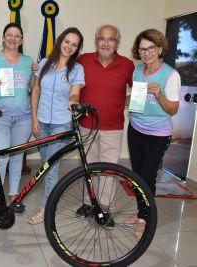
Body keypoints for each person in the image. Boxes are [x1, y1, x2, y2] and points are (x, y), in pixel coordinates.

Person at [126, 29, 181, 240]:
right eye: (142, 48)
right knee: (137, 175)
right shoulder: (138, 70)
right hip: (136, 128)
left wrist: (159, 94)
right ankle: (142, 212)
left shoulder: (170, 75)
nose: (146, 52)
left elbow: (173, 110)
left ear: (159, 49)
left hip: (158, 133)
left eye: (151, 48)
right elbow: (137, 99)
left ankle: (145, 219)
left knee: (148, 175)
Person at [28, 27, 85, 224]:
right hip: (42, 123)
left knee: (51, 170)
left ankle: (45, 210)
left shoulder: (77, 69)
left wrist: (73, 100)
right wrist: (34, 119)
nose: (69, 46)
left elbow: (75, 92)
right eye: (67, 41)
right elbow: (35, 91)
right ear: (60, 41)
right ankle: (50, 200)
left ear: (77, 48)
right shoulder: (44, 63)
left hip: (61, 125)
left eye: (74, 44)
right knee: (46, 167)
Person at [76, 24, 134, 214]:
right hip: (86, 125)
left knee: (108, 170)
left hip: (113, 126)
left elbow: (139, 92)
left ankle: (105, 209)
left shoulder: (127, 64)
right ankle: (88, 203)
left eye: (111, 39)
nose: (106, 43)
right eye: (102, 38)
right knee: (89, 168)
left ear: (117, 43)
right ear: (96, 41)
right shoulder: (83, 60)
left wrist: (121, 101)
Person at [0, 23, 33, 213]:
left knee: (18, 156)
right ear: (3, 38)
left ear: (21, 40)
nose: (13, 39)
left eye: (17, 36)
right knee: (1, 158)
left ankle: (13, 195)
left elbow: (35, 89)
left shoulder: (28, 62)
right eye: (9, 35)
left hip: (23, 118)